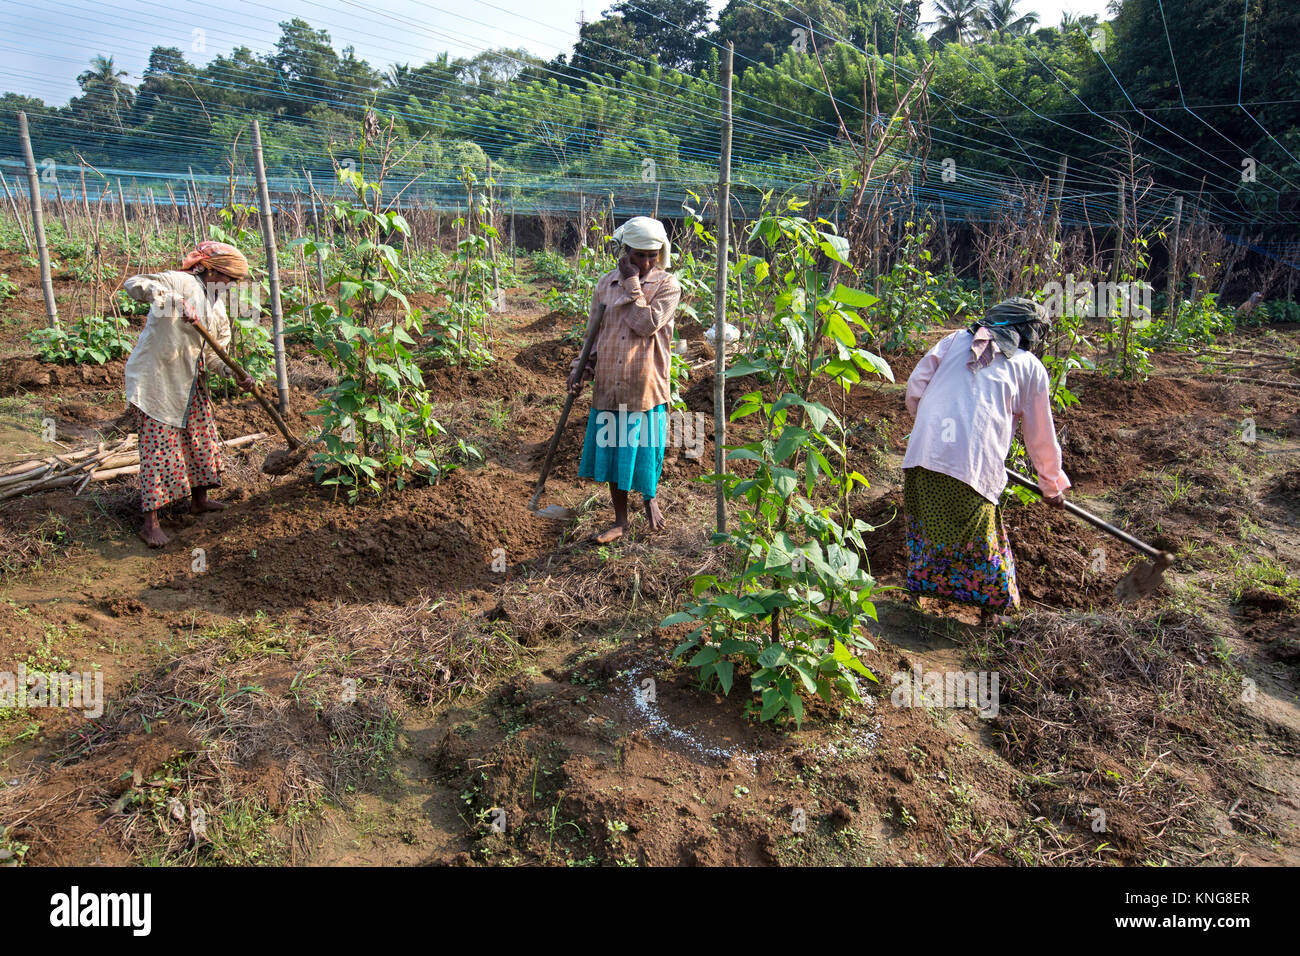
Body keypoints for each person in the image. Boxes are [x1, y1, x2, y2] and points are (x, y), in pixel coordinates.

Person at [900, 298, 1070, 621]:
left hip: (920, 460)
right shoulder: (1029, 367)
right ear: (1028, 334)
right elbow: (1040, 437)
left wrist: (931, 432)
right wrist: (1051, 484)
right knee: (983, 548)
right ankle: (996, 614)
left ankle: (919, 598)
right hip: (970, 471)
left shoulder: (953, 341)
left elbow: (915, 389)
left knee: (929, 538)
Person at [122, 241, 254, 548]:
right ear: (211, 271)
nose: (232, 286)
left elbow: (214, 356)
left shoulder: (219, 308)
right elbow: (134, 284)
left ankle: (199, 501)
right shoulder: (179, 282)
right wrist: (174, 301)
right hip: (158, 379)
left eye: (235, 283)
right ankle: (150, 523)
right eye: (229, 279)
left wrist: (234, 373)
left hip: (190, 379)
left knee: (200, 439)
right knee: (160, 447)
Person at [567, 216, 682, 544]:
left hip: (643, 386)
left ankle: (649, 499)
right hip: (609, 383)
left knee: (645, 451)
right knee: (614, 453)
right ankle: (620, 521)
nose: (645, 262)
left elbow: (645, 325)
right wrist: (581, 370)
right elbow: (594, 333)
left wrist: (633, 284)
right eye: (637, 256)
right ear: (624, 251)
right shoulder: (605, 284)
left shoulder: (667, 286)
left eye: (652, 255)